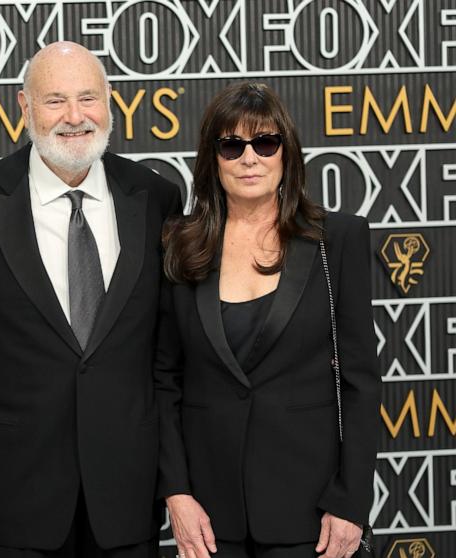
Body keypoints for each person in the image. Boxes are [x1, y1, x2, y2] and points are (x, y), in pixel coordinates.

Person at [0, 42, 179, 557]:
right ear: (24, 107)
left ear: (109, 103)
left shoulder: (156, 198)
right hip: (16, 489)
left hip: (128, 490)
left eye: (88, 98)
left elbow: (168, 344)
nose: (74, 117)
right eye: (55, 100)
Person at [156, 82, 380, 558]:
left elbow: (360, 380)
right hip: (210, 515)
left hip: (311, 509)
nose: (249, 158)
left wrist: (351, 501)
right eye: (231, 145)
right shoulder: (181, 243)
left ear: (286, 152)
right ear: (213, 159)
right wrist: (176, 492)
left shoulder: (337, 239)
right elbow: (165, 378)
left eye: (265, 143)